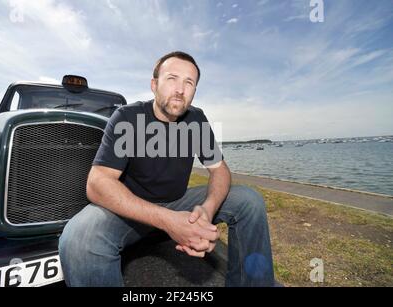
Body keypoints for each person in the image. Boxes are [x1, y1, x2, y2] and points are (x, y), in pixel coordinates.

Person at [58, 51, 274, 287]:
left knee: (249, 200)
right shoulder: (127, 117)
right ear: (154, 85)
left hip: (178, 202)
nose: (180, 89)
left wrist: (207, 209)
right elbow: (97, 183)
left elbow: (219, 170)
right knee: (78, 239)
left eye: (189, 82)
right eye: (172, 78)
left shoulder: (196, 120)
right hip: (131, 211)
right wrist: (169, 221)